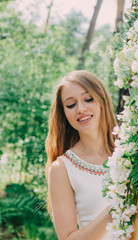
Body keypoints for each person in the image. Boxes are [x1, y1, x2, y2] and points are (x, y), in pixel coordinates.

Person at [45, 70, 117, 240]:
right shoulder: (62, 168)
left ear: (102, 100)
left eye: (88, 99)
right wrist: (115, 209)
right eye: (71, 105)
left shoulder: (133, 152)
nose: (81, 109)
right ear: (64, 113)